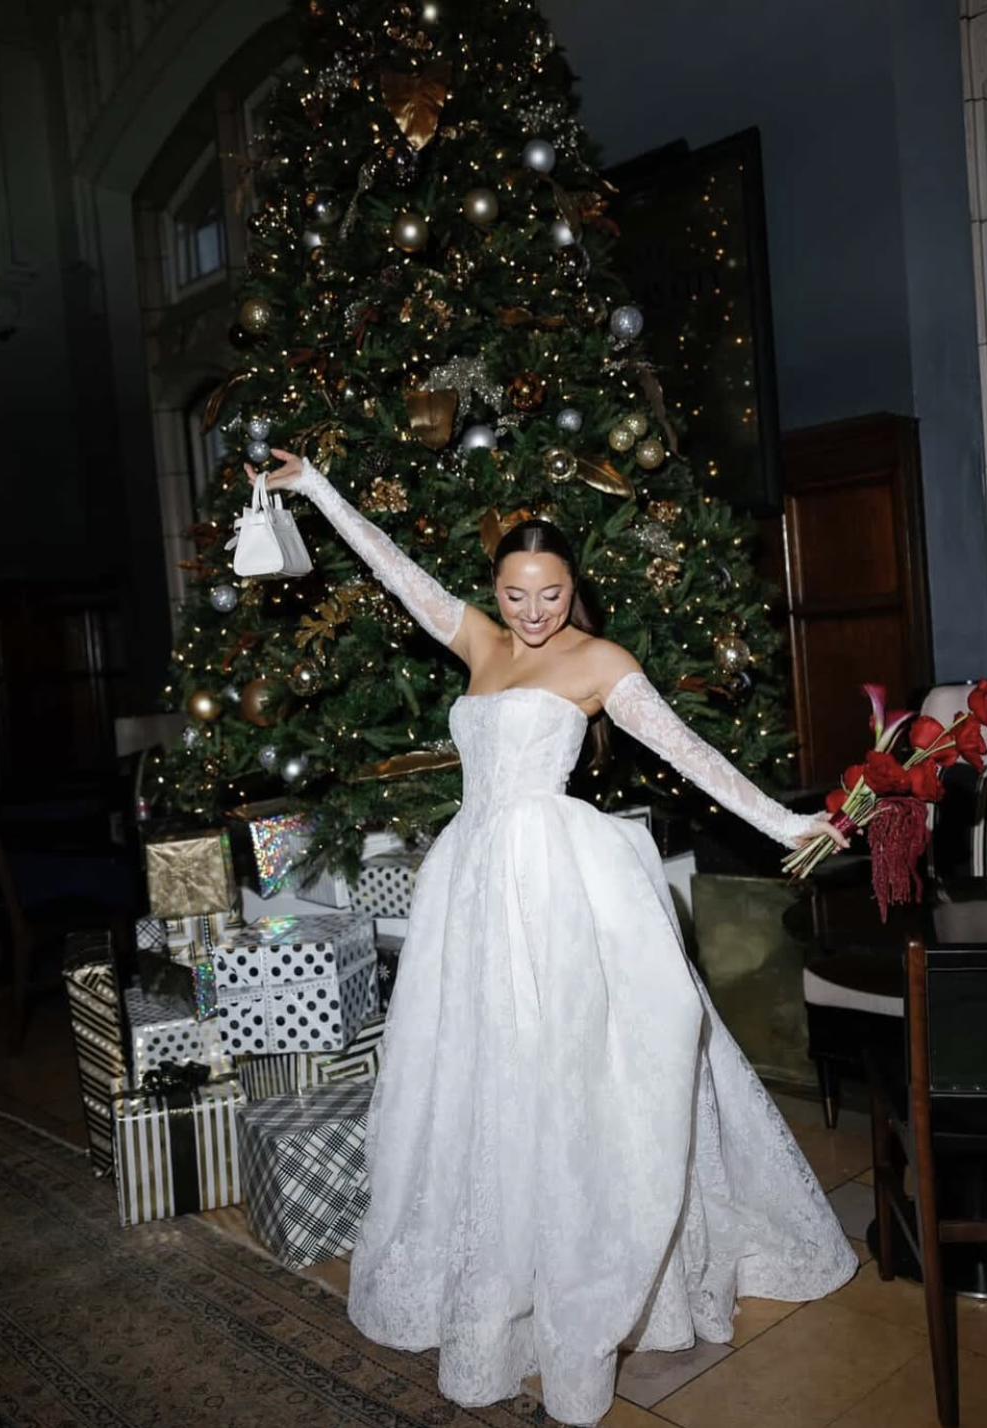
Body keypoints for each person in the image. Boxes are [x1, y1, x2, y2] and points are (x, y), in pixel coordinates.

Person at [246, 449, 858, 1427]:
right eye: (516, 593)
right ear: (498, 589)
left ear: (576, 593)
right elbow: (395, 571)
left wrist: (790, 825)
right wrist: (318, 489)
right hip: (472, 886)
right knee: (483, 1074)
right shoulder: (480, 645)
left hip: (557, 888)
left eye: (551, 594)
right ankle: (499, 1268)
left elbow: (690, 755)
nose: (532, 612)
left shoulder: (600, 665)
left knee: (570, 1075)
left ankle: (593, 1271)